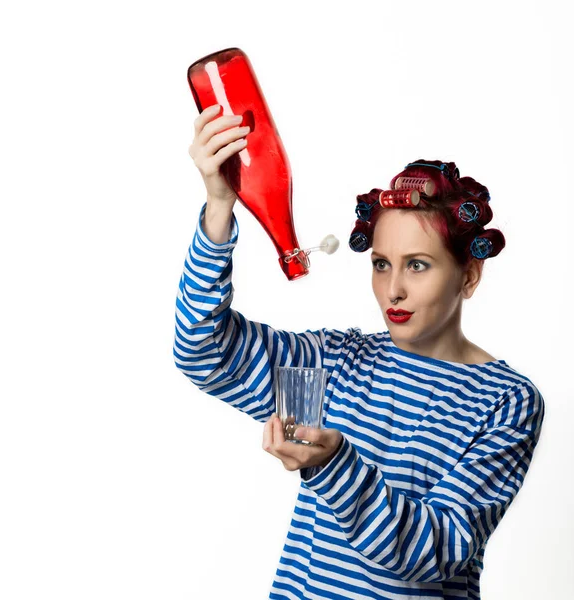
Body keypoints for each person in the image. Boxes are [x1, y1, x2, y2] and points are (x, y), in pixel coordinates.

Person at [173, 104, 545, 600]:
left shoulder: (506, 402)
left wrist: (334, 465)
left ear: (469, 276)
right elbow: (202, 350)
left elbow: (432, 551)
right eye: (380, 263)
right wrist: (219, 207)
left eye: (417, 265)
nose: (392, 289)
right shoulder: (336, 361)